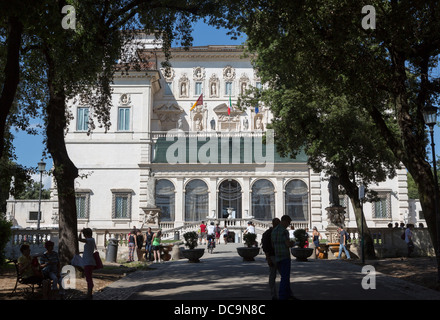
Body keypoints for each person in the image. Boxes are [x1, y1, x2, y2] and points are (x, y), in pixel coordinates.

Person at [271, 215, 295, 300]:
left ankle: (288, 294)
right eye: (288, 222)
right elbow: (287, 244)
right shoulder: (284, 231)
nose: (288, 224)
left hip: (277, 256)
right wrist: (293, 243)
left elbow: (273, 245)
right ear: (284, 221)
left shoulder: (274, 231)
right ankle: (283, 296)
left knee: (284, 276)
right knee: (285, 277)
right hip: (284, 256)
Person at [262, 218, 280, 300]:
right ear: (273, 224)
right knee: (273, 275)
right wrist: (268, 258)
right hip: (272, 256)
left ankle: (281, 293)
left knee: (281, 275)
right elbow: (265, 247)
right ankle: (274, 294)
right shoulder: (268, 233)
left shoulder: (279, 232)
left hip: (280, 256)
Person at [78, 228, 96, 299]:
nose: (84, 236)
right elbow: (88, 250)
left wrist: (80, 232)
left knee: (88, 278)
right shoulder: (92, 240)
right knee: (88, 277)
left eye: (84, 234)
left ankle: (89, 293)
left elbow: (79, 239)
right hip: (88, 261)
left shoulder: (89, 240)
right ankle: (89, 292)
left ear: (86, 234)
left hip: (88, 262)